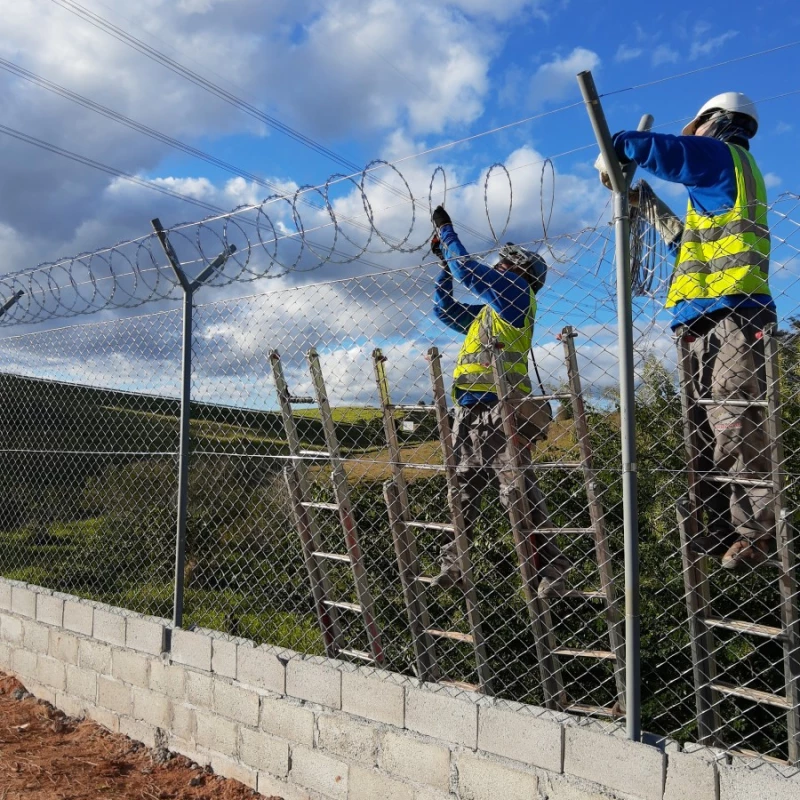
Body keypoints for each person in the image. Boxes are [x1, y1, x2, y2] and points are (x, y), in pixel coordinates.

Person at [604, 92, 775, 571]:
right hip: (703, 322)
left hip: (736, 314)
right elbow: (685, 240)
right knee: (701, 430)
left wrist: (617, 144)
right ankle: (718, 532)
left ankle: (756, 534)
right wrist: (641, 201)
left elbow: (667, 152)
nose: (691, 132)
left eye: (696, 124)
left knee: (735, 421)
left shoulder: (724, 156)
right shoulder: (719, 187)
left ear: (715, 121)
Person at [430, 205, 571, 597]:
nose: (498, 267)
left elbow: (468, 271)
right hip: (468, 412)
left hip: (501, 409)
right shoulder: (489, 313)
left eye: (504, 264)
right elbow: (444, 309)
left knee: (519, 493)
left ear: (518, 270)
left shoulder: (516, 293)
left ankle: (553, 572)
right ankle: (454, 567)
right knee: (461, 493)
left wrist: (447, 231)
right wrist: (444, 264)